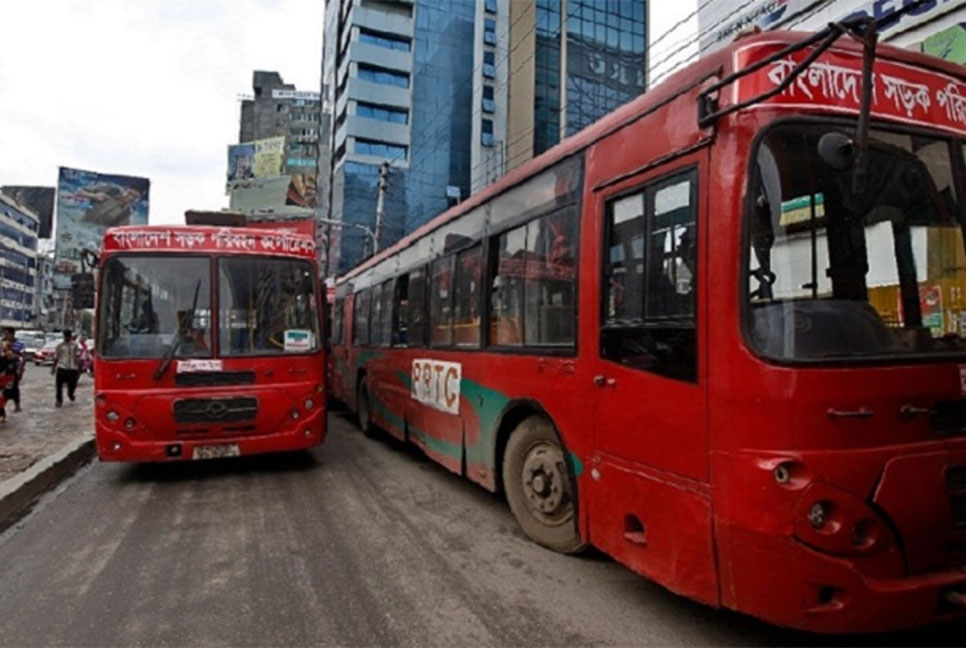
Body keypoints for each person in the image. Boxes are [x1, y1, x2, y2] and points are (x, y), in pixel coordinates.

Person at [52, 330, 80, 408]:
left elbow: (77, 356)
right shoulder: (60, 346)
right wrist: (53, 368)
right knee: (59, 386)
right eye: (66, 336)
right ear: (64, 336)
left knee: (72, 385)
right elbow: (56, 357)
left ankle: (70, 394)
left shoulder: (75, 345)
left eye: (69, 336)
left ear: (71, 336)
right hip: (62, 367)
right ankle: (59, 401)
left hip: (72, 368)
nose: (67, 338)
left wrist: (78, 368)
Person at [2, 328, 23, 412]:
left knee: (14, 388)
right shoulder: (2, 343)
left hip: (14, 370)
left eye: (7, 333)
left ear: (12, 334)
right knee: (4, 389)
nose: (6, 335)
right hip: (3, 369)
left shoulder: (19, 344)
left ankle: (17, 405)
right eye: (5, 334)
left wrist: (21, 369)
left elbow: (22, 357)